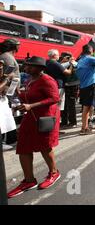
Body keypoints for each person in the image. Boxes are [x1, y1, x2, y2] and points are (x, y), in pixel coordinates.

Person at [7, 57, 61, 199]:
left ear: (39, 68)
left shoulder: (47, 80)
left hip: (45, 118)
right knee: (23, 147)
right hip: (31, 117)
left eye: (30, 66)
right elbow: (29, 97)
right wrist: (18, 93)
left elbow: (54, 98)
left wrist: (31, 106)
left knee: (45, 146)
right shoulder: (30, 79)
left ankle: (54, 173)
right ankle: (29, 180)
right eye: (26, 66)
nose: (26, 69)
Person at [46, 49, 73, 114]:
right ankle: (57, 120)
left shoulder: (48, 62)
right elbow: (67, 72)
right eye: (58, 55)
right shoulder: (54, 63)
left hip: (52, 84)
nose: (59, 56)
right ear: (54, 55)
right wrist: (72, 64)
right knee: (59, 105)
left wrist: (63, 61)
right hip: (59, 86)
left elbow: (58, 67)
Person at [60, 52, 79, 128]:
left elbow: (77, 66)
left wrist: (71, 62)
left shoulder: (74, 64)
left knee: (71, 105)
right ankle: (64, 121)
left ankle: (73, 122)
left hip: (72, 86)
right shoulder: (64, 64)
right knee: (64, 105)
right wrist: (68, 62)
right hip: (66, 85)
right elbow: (61, 66)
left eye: (64, 57)